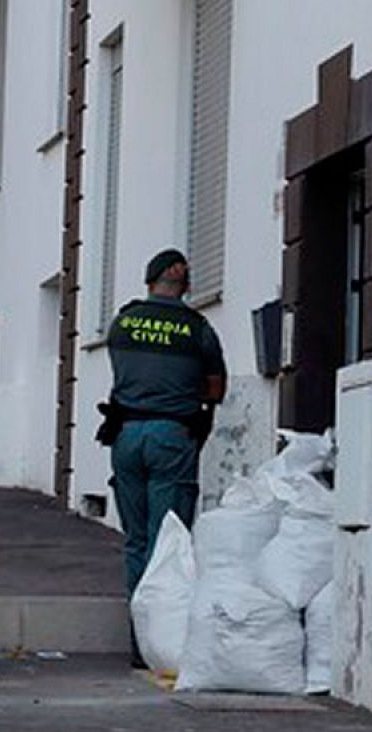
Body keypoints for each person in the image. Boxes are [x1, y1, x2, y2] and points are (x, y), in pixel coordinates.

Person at [101, 249, 226, 664]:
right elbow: (215, 390)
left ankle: (139, 643)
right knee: (167, 540)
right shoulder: (197, 328)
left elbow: (124, 372)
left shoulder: (123, 322)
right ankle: (161, 644)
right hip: (172, 437)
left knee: (137, 541)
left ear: (149, 281)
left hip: (126, 436)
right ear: (187, 285)